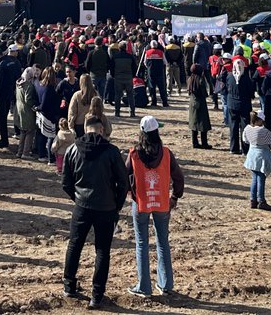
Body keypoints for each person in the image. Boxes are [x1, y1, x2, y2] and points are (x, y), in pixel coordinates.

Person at [61, 113, 128, 310]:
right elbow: (123, 183)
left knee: (74, 245)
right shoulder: (112, 151)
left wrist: (78, 199)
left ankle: (69, 285)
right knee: (102, 250)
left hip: (82, 206)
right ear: (100, 129)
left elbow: (66, 182)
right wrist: (116, 205)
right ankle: (97, 295)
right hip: (106, 207)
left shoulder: (73, 149)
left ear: (85, 129)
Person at [126, 116, 183, 298]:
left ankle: (144, 286)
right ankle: (165, 284)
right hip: (162, 203)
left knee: (142, 243)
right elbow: (179, 177)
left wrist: (130, 193)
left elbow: (122, 174)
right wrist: (174, 196)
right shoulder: (166, 153)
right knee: (163, 242)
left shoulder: (134, 154)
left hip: (141, 203)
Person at [242, 113, 271, 211]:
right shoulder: (263, 131)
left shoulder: (247, 128)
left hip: (252, 155)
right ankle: (261, 200)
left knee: (254, 178)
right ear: (260, 120)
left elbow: (245, 140)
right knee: (261, 179)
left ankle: (253, 200)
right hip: (262, 156)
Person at [186, 64, 212, 149]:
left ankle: (195, 143)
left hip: (192, 102)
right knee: (203, 124)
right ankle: (204, 143)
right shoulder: (201, 80)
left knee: (194, 123)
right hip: (201, 102)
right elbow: (204, 93)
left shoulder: (190, 79)